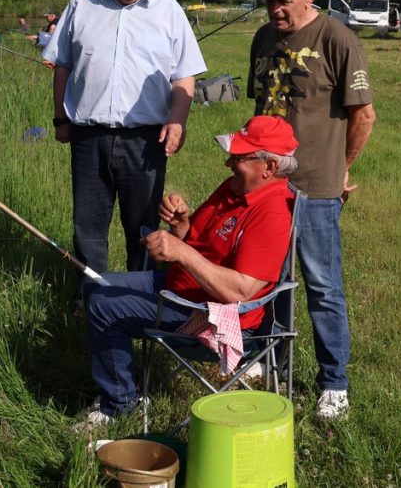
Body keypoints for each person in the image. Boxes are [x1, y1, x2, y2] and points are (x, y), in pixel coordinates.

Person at [79, 116, 299, 426]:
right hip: (182, 289)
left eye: (239, 157)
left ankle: (118, 406)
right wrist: (181, 224)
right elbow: (198, 243)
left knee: (105, 306)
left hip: (209, 314)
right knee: (95, 285)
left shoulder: (271, 213)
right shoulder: (236, 188)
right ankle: (124, 390)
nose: (228, 163)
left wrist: (181, 253)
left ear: (269, 167)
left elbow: (240, 291)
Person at [248, 0, 376, 420]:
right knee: (267, 281)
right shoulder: (263, 38)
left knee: (322, 286)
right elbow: (260, 109)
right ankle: (268, 360)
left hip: (316, 189)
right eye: (269, 0)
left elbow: (364, 115)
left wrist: (341, 168)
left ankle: (333, 383)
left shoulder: (337, 38)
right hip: (266, 186)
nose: (275, 8)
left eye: (284, 0)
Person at [43, 0, 206, 277]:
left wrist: (177, 120)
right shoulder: (82, 4)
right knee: (87, 227)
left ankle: (141, 294)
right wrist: (60, 119)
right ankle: (91, 295)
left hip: (146, 141)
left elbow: (184, 75)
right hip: (89, 137)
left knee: (144, 228)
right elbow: (63, 65)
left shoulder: (169, 11)